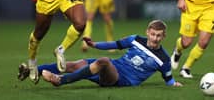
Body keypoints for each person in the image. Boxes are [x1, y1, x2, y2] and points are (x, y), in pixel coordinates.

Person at [18, 20, 183, 87]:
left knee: (103, 61)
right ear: (148, 32)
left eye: (158, 36)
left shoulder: (163, 59)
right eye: (153, 34)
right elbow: (115, 44)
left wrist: (174, 84)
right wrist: (94, 44)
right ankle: (33, 70)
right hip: (114, 67)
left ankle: (60, 80)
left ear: (163, 36)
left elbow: (168, 79)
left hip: (121, 80)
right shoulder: (135, 39)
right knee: (76, 64)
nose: (155, 38)